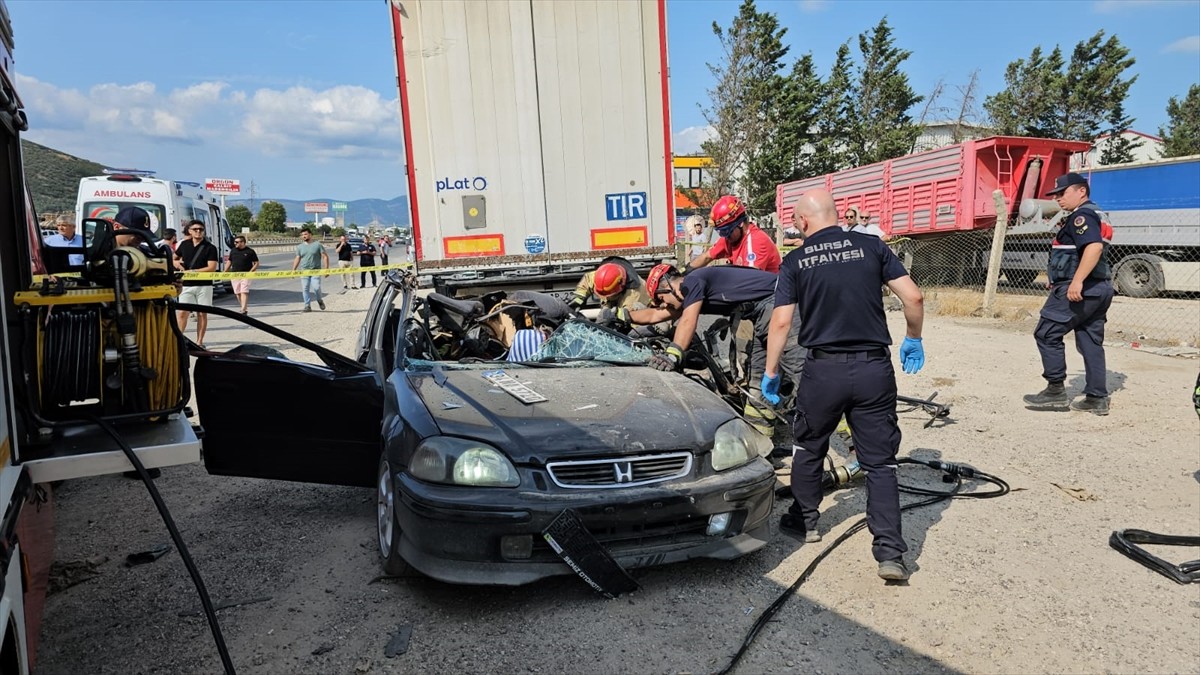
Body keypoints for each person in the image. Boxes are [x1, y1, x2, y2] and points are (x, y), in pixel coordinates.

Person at [761, 188, 924, 581]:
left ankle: (806, 521)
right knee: (880, 463)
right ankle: (890, 553)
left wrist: (770, 373)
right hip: (873, 368)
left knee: (808, 444)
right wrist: (913, 337)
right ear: (837, 214)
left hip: (824, 370)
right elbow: (913, 297)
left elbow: (781, 322)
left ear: (802, 221)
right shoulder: (872, 246)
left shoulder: (796, 260)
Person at [626, 263, 805, 437]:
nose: (662, 305)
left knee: (799, 369)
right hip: (762, 313)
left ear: (668, 286)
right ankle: (761, 441)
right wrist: (621, 315)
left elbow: (688, 321)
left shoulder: (692, 281)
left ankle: (823, 420)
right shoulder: (689, 293)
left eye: (660, 299)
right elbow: (655, 315)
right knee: (758, 378)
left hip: (781, 303)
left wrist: (673, 354)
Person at [1022, 172, 1115, 416]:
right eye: (1056, 195)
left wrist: (1075, 281)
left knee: (1046, 333)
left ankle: (1055, 392)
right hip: (1100, 287)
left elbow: (1093, 248)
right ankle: (1097, 397)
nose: (1058, 199)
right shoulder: (1096, 213)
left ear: (1081, 191)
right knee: (1089, 340)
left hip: (1082, 288)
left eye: (1063, 193)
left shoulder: (1081, 216)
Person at [686, 195, 781, 273]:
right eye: (720, 232)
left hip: (767, 293)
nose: (724, 236)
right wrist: (684, 271)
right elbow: (707, 257)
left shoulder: (756, 242)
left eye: (726, 231)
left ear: (740, 223)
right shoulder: (730, 237)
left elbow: (750, 281)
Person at [173, 218, 220, 348]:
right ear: (190, 231)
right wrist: (176, 263)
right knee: (182, 313)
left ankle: (199, 342)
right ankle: (178, 340)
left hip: (204, 285)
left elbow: (212, 267)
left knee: (202, 314)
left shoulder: (210, 248)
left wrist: (194, 271)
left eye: (201, 229)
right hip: (186, 285)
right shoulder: (184, 245)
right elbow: (173, 258)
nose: (198, 231)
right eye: (195, 229)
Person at [569, 257, 650, 314]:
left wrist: (615, 317)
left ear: (620, 286)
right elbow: (586, 282)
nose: (606, 297)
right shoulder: (600, 275)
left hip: (636, 315)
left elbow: (631, 317)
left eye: (608, 294)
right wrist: (578, 299)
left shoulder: (634, 293)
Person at [291, 227, 328, 312]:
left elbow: (325, 256)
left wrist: (326, 269)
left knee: (316, 287)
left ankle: (319, 300)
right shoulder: (300, 247)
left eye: (305, 234)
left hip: (316, 270)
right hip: (304, 271)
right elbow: (297, 258)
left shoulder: (317, 245)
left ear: (310, 235)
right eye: (302, 235)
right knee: (305, 288)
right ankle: (307, 305)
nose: (304, 236)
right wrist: (293, 270)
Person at [225, 236, 260, 315]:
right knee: (237, 292)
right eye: (235, 242)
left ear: (243, 242)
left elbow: (256, 263)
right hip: (235, 274)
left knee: (244, 291)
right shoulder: (233, 251)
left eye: (237, 242)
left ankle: (243, 309)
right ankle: (244, 307)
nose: (235, 244)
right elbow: (229, 261)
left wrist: (251, 272)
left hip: (246, 275)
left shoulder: (250, 251)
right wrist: (225, 271)